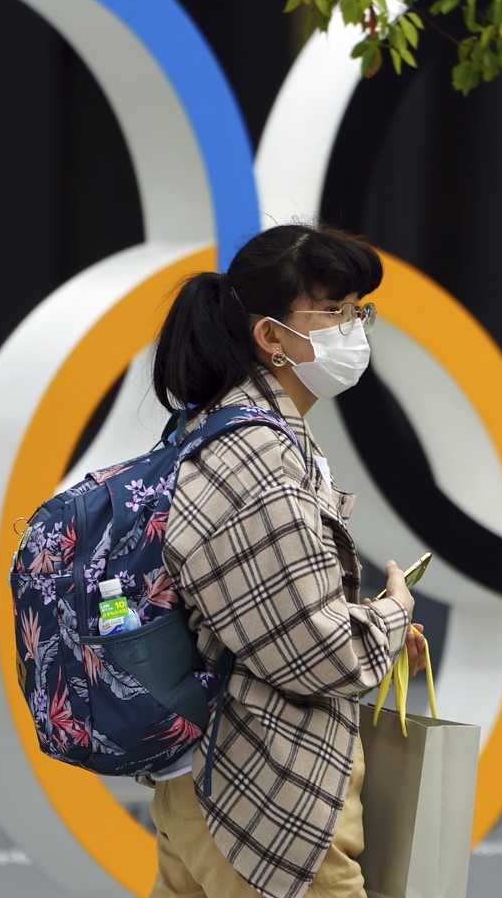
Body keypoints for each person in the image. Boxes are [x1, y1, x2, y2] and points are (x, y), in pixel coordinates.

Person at [146, 222, 426, 898]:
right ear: (270, 336)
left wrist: (365, 625)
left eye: (358, 309)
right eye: (333, 311)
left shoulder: (211, 428)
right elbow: (314, 653)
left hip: (206, 791)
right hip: (271, 811)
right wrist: (390, 613)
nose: (353, 327)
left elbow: (261, 609)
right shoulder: (263, 459)